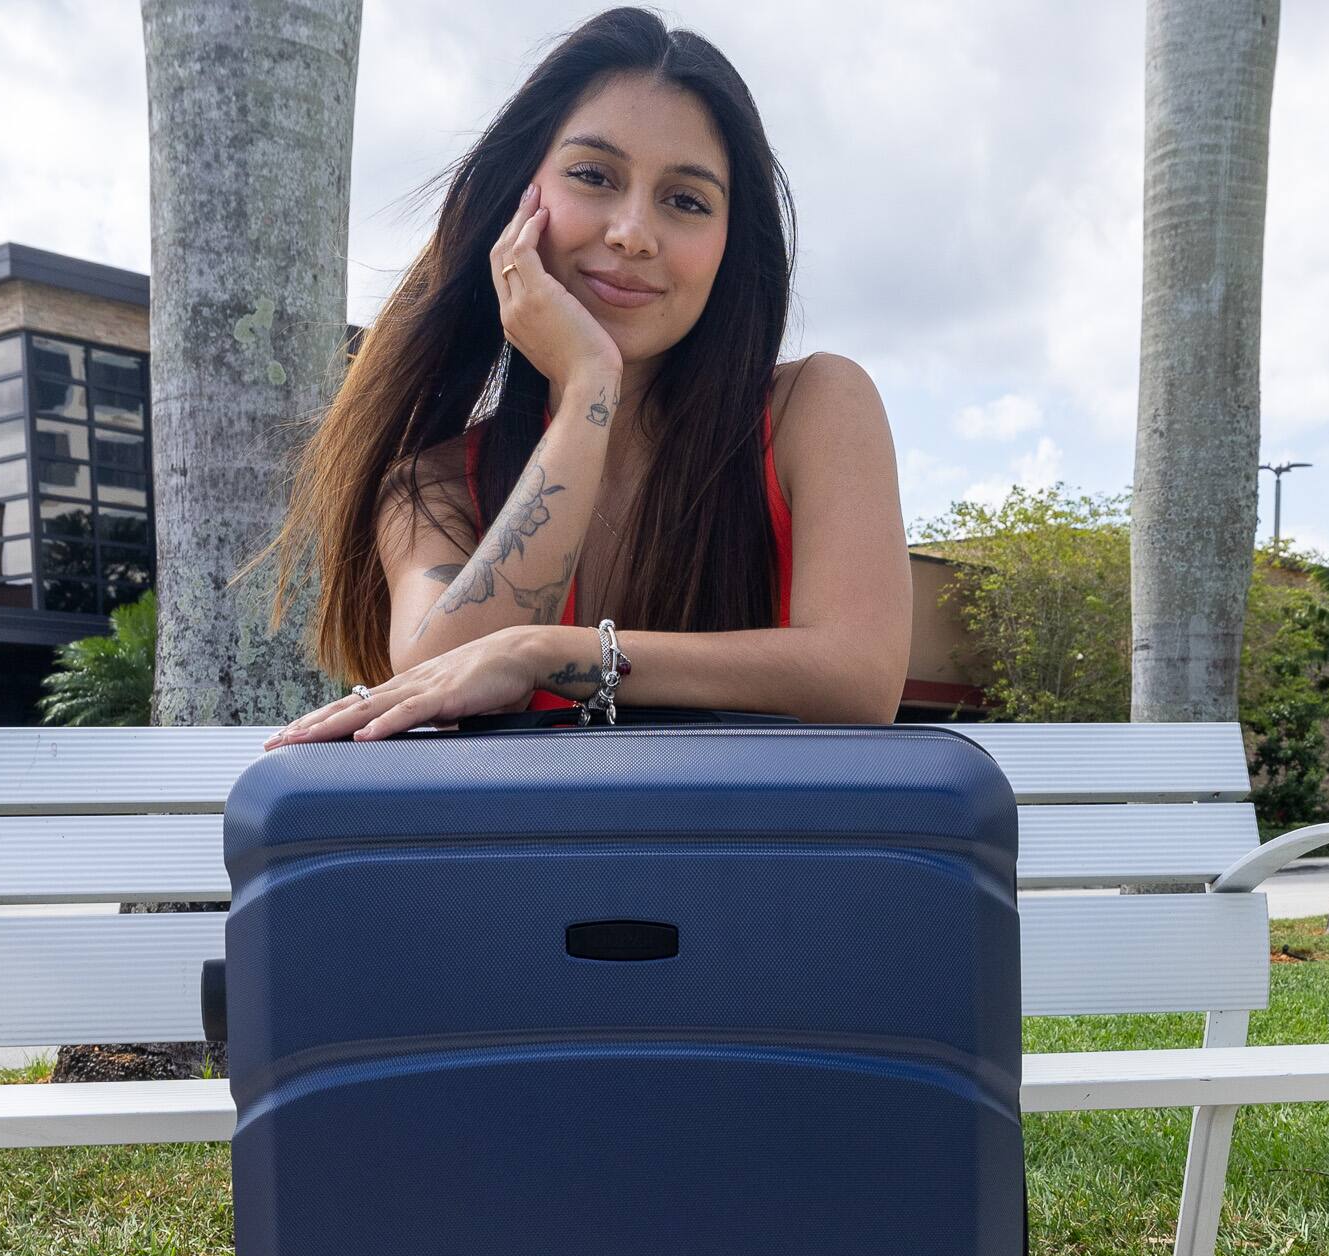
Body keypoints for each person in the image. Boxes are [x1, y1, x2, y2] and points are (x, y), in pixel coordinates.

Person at [257, 5, 913, 749]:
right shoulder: (433, 487)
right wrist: (588, 390)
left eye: (686, 200)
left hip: (756, 828)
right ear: (518, 203)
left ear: (732, 244)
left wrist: (548, 652)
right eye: (593, 176)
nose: (632, 233)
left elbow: (858, 680)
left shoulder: (815, 409)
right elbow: (446, 677)